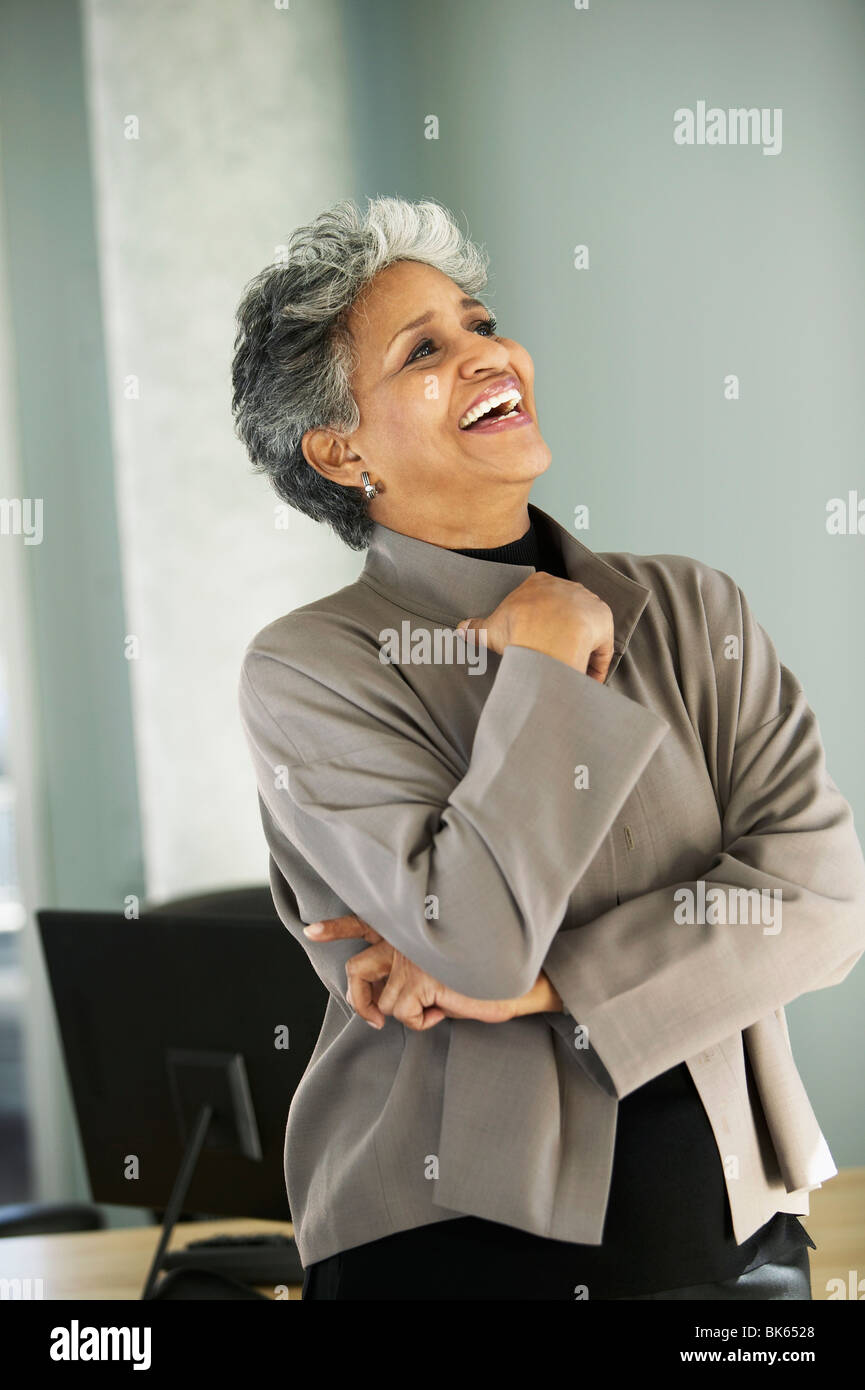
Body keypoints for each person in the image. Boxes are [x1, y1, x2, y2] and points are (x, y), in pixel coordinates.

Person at [232, 195, 865, 1300]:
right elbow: (474, 940)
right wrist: (546, 666)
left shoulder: (688, 607)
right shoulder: (309, 669)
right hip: (452, 1237)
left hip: (732, 1211)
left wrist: (543, 986)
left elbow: (819, 908)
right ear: (339, 449)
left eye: (479, 322)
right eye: (425, 349)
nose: (486, 354)